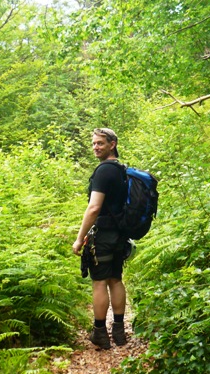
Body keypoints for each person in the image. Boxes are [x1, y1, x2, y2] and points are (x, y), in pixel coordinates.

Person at [73, 128, 128, 349]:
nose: (96, 147)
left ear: (112, 144)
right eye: (94, 143)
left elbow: (94, 207)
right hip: (120, 234)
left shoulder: (104, 171)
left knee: (99, 282)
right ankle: (119, 330)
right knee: (115, 279)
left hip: (103, 235)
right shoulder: (121, 169)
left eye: (100, 143)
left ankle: (100, 333)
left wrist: (79, 238)